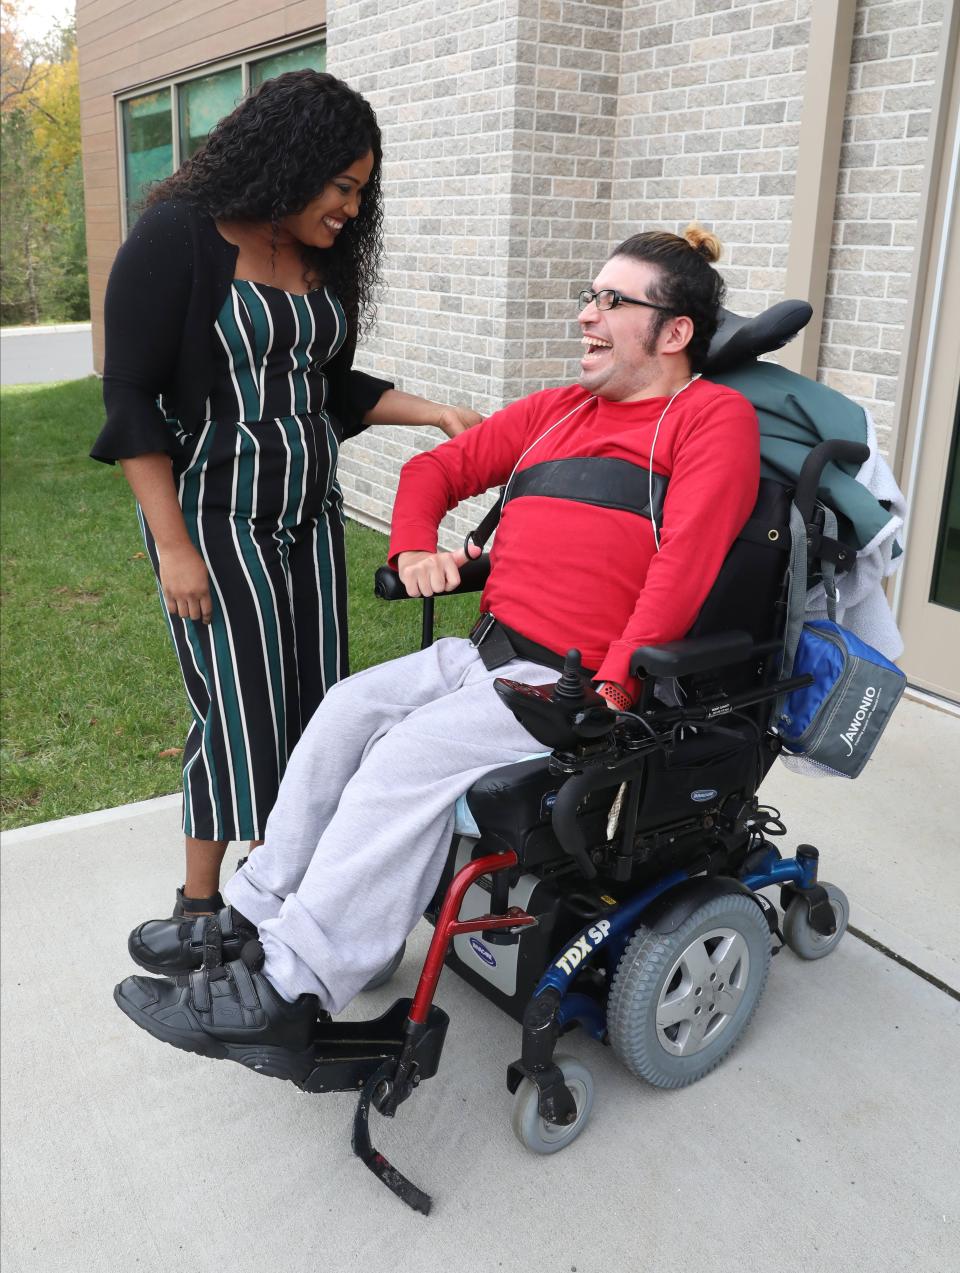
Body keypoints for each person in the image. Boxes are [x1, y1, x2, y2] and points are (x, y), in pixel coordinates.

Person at [115, 224, 761, 1074]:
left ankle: (288, 989)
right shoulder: (558, 411)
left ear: (674, 332)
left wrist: (612, 688)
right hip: (485, 653)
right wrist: (414, 544)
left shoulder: (710, 417)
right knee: (345, 710)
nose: (585, 316)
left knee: (403, 757)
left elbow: (683, 568)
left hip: (567, 685)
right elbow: (433, 473)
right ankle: (252, 912)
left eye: (612, 301)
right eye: (588, 295)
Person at [91, 71, 480, 924]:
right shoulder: (177, 239)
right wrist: (174, 549)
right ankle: (199, 909)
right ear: (289, 160)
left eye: (360, 193)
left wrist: (437, 413)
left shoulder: (317, 258)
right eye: (340, 186)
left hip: (308, 517)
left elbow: (327, 387)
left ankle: (284, 890)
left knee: (316, 707)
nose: (349, 208)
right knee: (237, 707)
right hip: (214, 517)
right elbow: (130, 403)